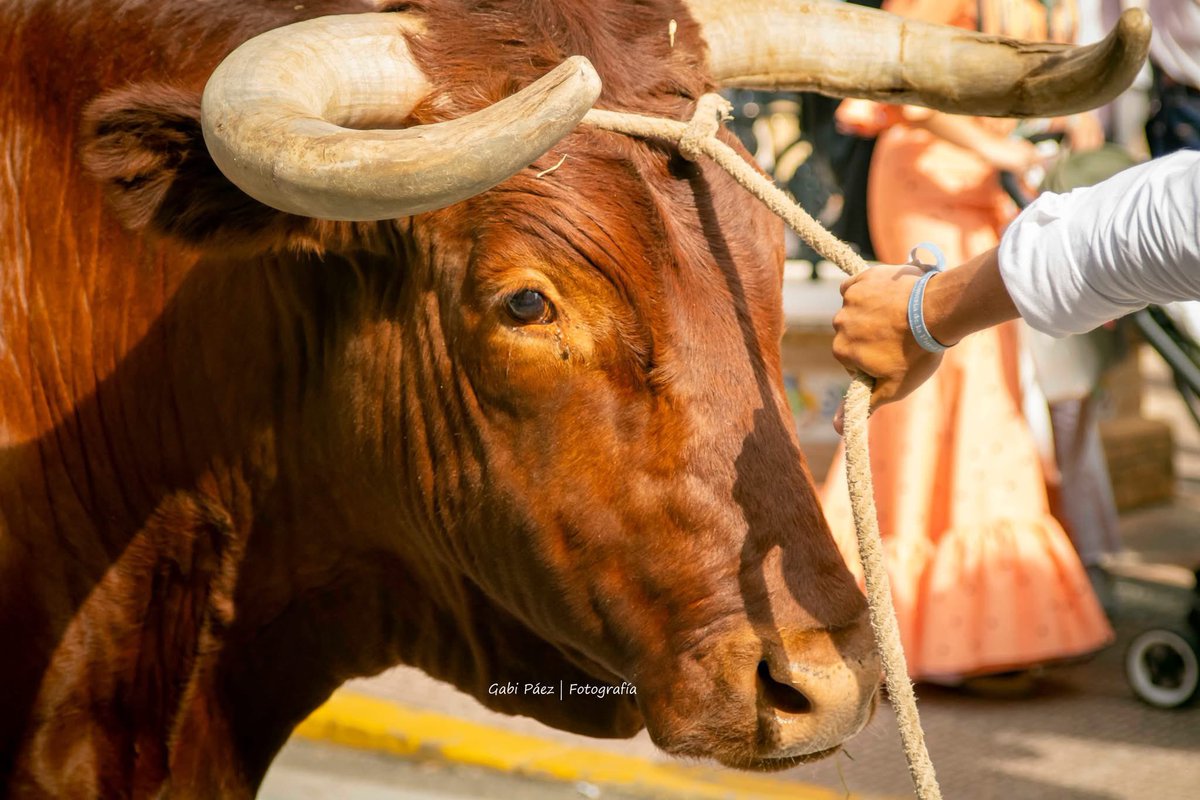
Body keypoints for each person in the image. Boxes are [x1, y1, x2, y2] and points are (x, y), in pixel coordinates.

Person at [819, 0, 1114, 684]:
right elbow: (902, 90)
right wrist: (997, 148)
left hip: (995, 192)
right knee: (939, 381)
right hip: (929, 185)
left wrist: (1075, 117)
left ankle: (972, 619)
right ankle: (906, 619)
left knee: (993, 382)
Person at [832, 150, 1200, 416]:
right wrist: (928, 309)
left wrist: (927, 309)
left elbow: (1172, 222)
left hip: (991, 195)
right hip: (935, 184)